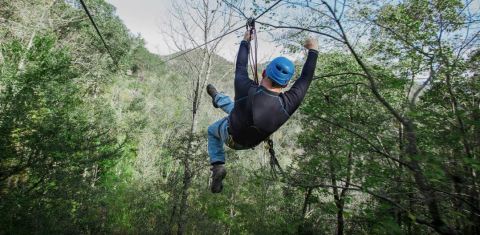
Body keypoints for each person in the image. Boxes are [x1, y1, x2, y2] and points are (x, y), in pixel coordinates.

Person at [206, 30, 318, 193]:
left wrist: (246, 41)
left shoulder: (245, 87)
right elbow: (305, 80)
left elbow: (240, 65)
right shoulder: (288, 104)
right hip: (249, 140)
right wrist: (313, 51)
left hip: (231, 135)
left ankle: (217, 165)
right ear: (286, 84)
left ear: (264, 72)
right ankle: (217, 98)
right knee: (234, 107)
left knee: (213, 129)